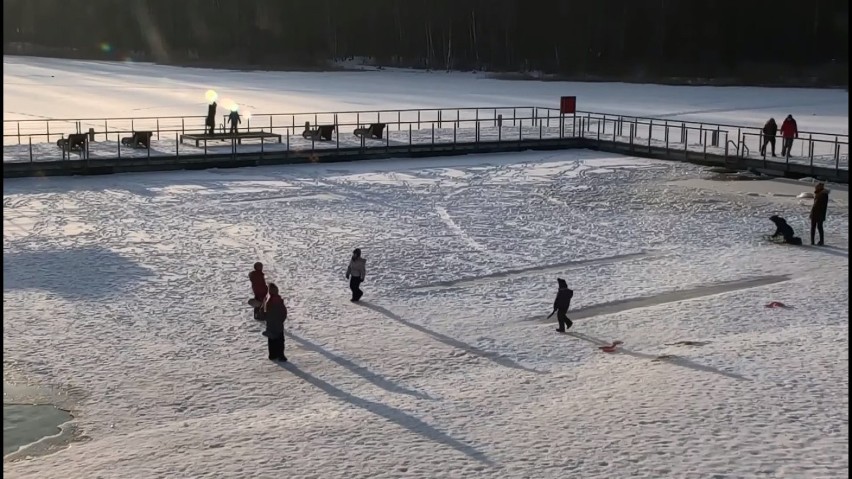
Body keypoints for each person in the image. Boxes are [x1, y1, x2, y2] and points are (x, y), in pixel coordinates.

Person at [261, 283, 288, 362]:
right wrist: (282, 320)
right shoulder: (278, 300)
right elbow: (283, 312)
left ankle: (272, 355)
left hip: (270, 324)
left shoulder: (266, 300)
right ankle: (281, 355)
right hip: (278, 324)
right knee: (280, 340)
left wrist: (266, 318)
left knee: (272, 340)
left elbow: (262, 312)